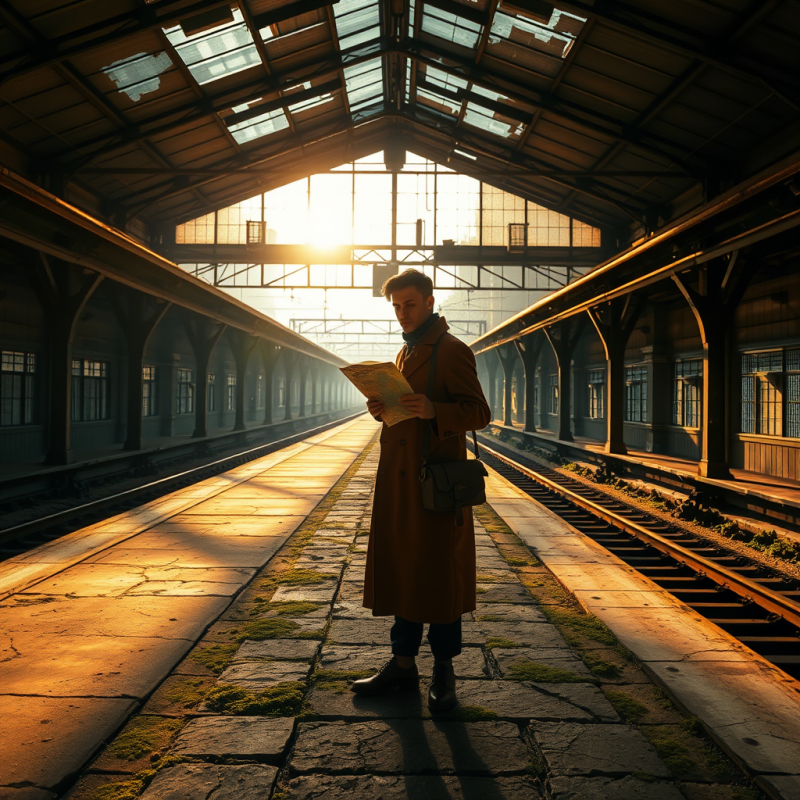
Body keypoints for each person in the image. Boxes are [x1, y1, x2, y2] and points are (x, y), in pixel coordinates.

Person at [351, 268, 491, 711]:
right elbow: (404, 412)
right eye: (395, 306)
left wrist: (435, 409)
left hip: (434, 485)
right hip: (402, 482)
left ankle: (444, 673)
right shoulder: (405, 351)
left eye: (409, 304)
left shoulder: (451, 351)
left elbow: (479, 412)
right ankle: (402, 664)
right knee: (405, 570)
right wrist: (382, 408)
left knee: (440, 576)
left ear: (430, 301)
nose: (402, 313)